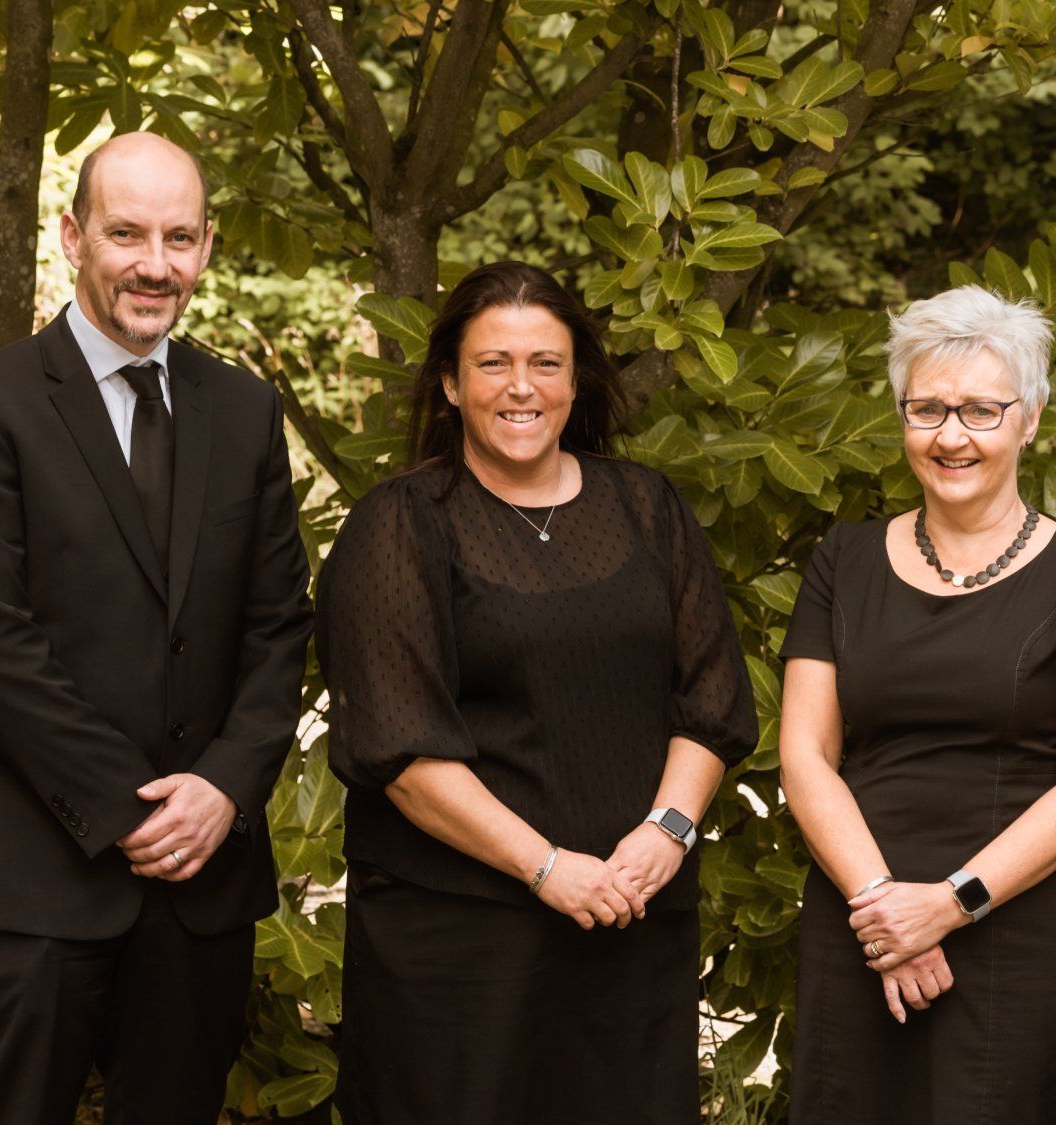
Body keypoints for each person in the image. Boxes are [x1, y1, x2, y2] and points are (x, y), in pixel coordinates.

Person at [0, 132, 314, 1123]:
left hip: (201, 882)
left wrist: (224, 788)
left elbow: (277, 628)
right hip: (30, 873)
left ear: (209, 247)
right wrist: (134, 813)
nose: (155, 264)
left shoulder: (246, 412)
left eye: (180, 238)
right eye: (126, 233)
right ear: (71, 236)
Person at [316, 261, 757, 1124]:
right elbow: (400, 751)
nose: (522, 387)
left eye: (546, 363)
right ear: (449, 382)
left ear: (576, 379)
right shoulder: (401, 524)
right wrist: (547, 866)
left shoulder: (647, 506)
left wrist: (666, 831)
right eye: (493, 363)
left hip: (630, 924)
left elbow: (711, 695)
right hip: (461, 944)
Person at [778, 285, 1056, 1123]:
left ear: (1032, 416)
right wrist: (884, 907)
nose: (951, 436)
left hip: (1017, 927)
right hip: (860, 919)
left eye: (981, 410)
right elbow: (805, 755)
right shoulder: (844, 561)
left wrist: (947, 904)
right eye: (928, 408)